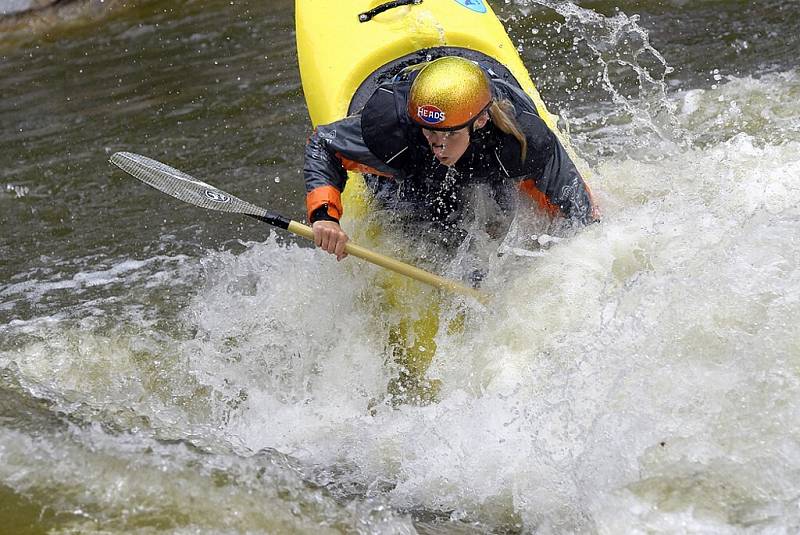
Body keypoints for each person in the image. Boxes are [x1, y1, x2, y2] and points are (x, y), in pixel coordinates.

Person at [303, 55, 598, 262]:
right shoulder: (396, 128)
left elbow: (580, 213)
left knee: (504, 218)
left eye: (450, 135)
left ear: (480, 121)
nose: (438, 146)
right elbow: (324, 144)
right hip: (410, 146)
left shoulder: (522, 141)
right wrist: (325, 217)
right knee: (419, 223)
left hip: (490, 144)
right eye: (431, 132)